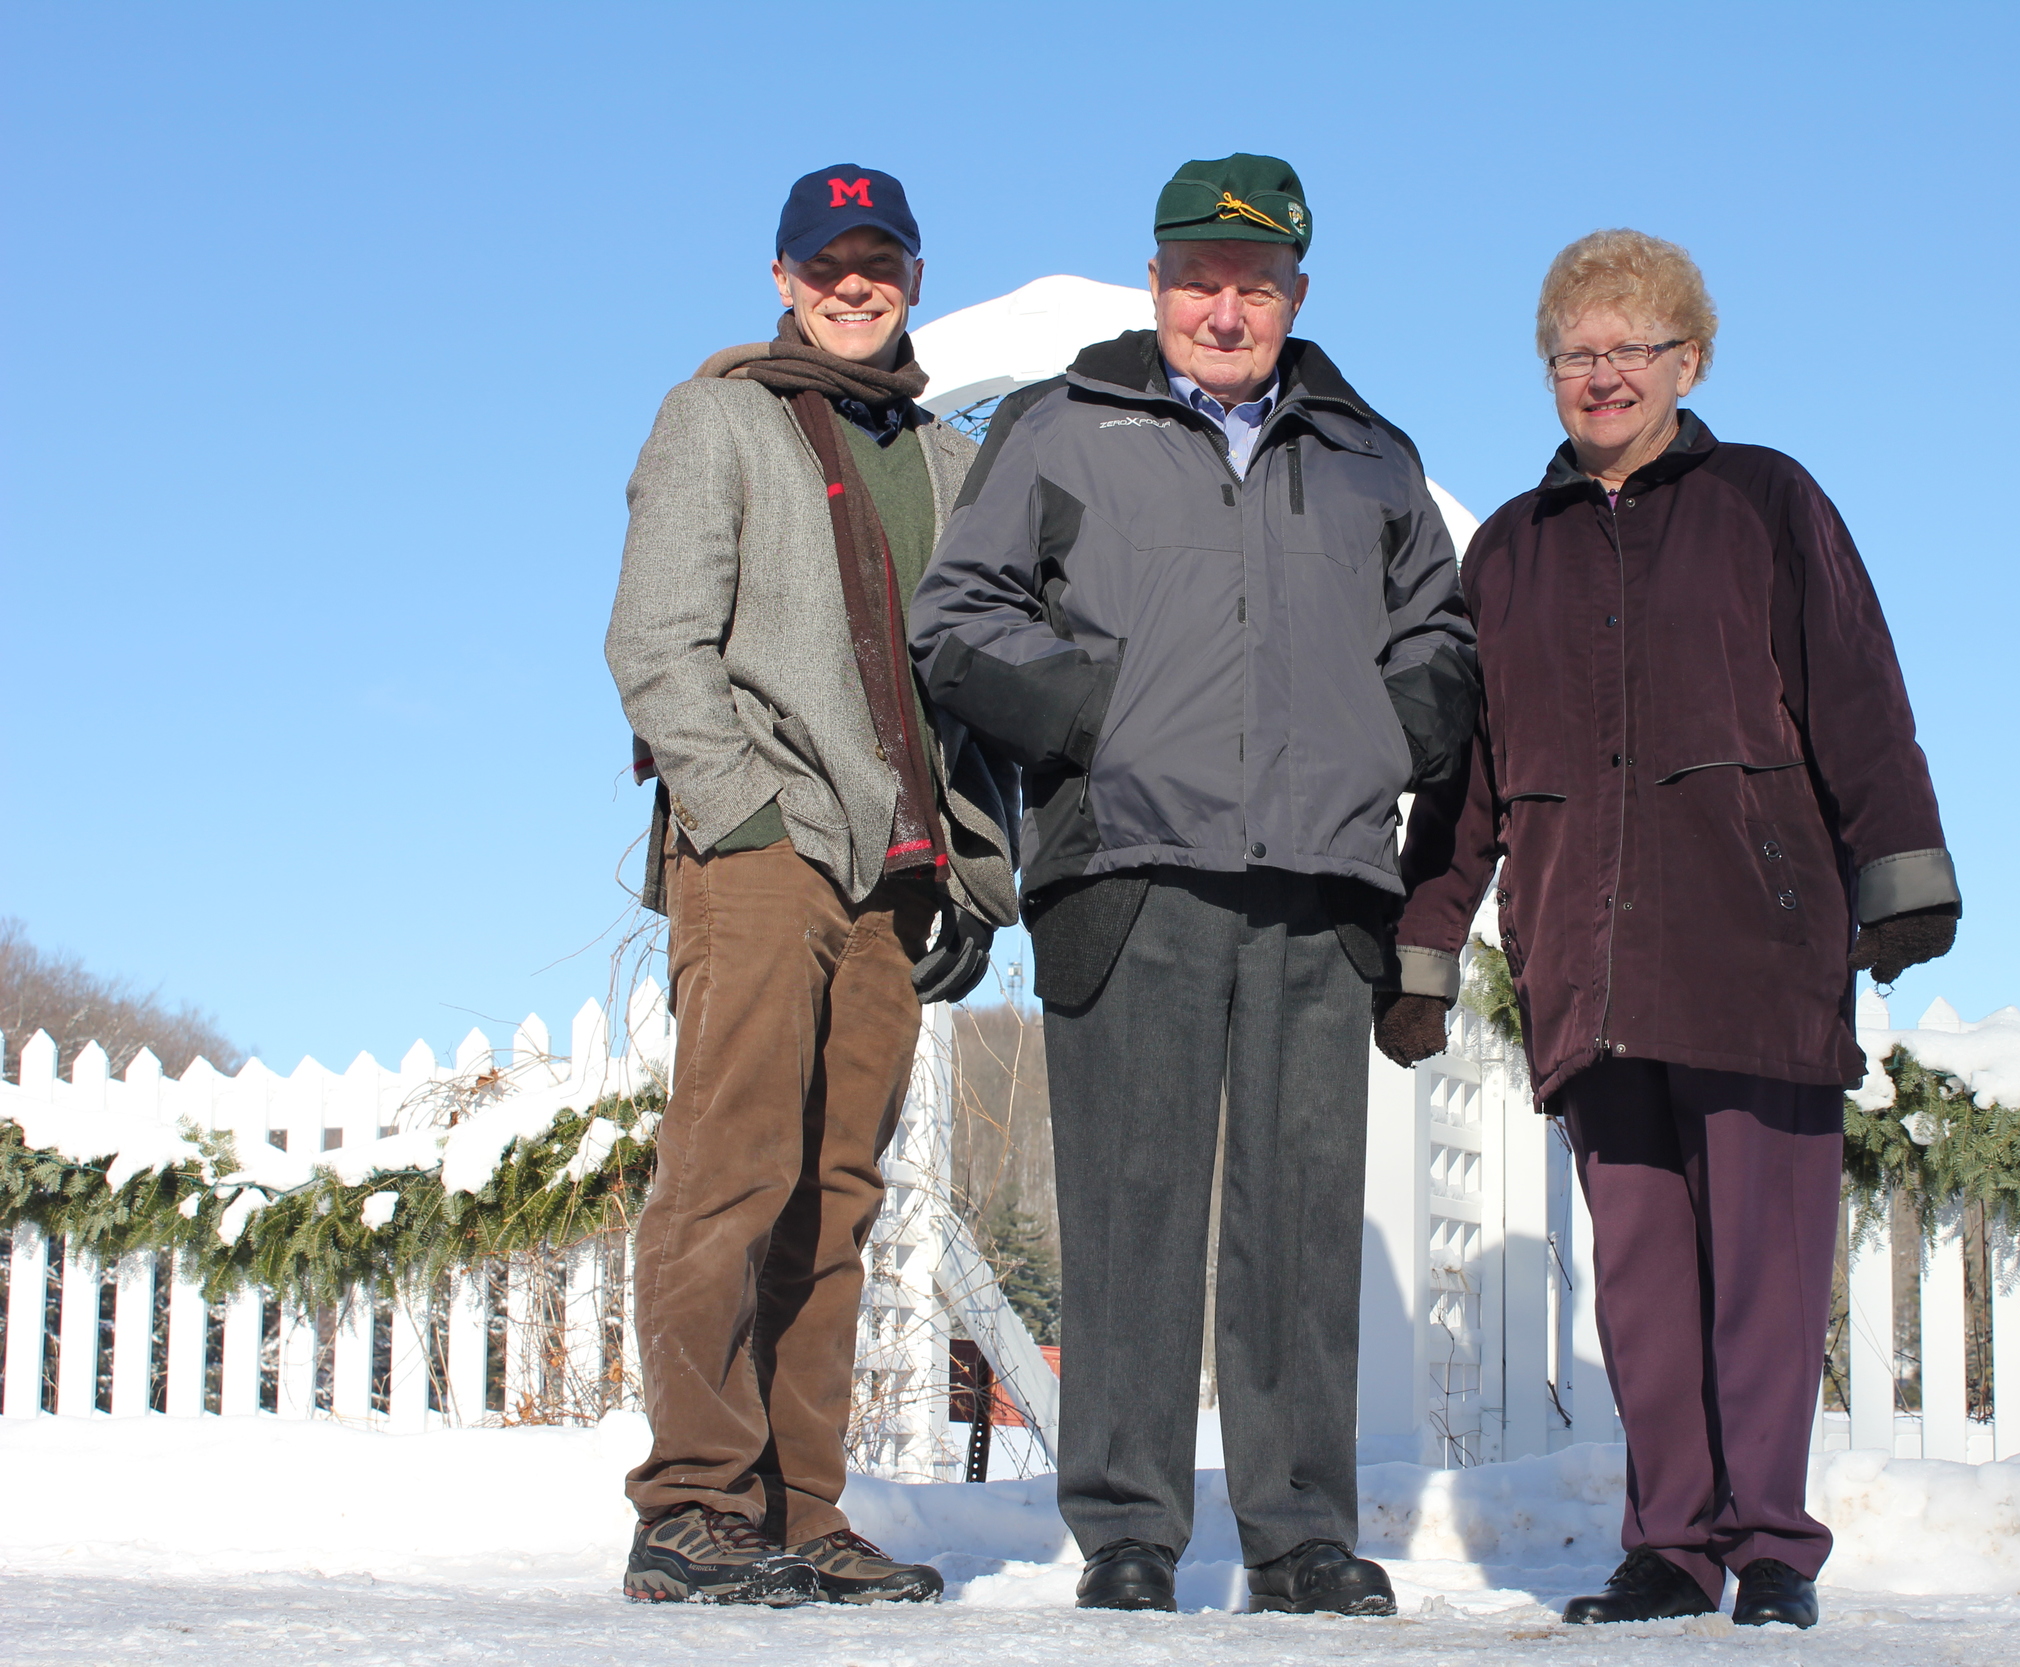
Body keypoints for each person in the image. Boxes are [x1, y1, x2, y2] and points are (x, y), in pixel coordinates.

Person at [910, 154, 1477, 1617]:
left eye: (1257, 283)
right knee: (1132, 1205)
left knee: (1297, 1216)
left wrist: (1376, 741)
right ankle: (1130, 1529)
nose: (1226, 309)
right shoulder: (1059, 429)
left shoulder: (1367, 454)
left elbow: (1446, 642)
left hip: (1316, 875)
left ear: (1297, 291)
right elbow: (959, 614)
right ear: (1156, 281)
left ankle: (1299, 1534)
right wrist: (1093, 719)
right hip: (1128, 864)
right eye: (1199, 280)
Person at [1379, 230, 1960, 1631]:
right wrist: (1427, 941)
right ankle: (1670, 1545)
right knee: (1640, 1285)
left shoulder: (1767, 502)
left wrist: (1902, 869)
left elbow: (1859, 694)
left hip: (1755, 945)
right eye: (1574, 352)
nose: (1600, 376)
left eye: (1630, 349)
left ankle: (1768, 1545)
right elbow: (1466, 774)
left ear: (1688, 362)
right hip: (1591, 956)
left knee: (1762, 1276)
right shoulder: (1511, 552)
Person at [604, 164, 1018, 1605]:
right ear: (782, 276)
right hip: (765, 853)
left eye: (880, 262)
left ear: (912, 277)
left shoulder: (951, 462)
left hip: (897, 882)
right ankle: (693, 1504)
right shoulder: (716, 416)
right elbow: (656, 642)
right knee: (734, 1171)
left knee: (837, 1195)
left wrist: (973, 865)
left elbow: (964, 686)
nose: (855, 286)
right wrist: (747, 821)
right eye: (826, 262)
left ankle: (801, 1508)